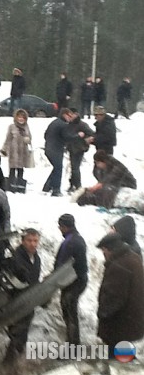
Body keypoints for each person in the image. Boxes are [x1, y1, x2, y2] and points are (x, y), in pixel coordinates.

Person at [96, 232, 144, 358]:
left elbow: (114, 297)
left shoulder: (119, 266)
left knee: (117, 359)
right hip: (130, 319)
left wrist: (102, 313)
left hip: (119, 324)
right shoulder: (134, 258)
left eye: (103, 251)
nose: (103, 254)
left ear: (108, 249)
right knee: (125, 355)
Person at [3, 228, 41, 364]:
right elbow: (15, 278)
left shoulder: (36, 258)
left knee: (22, 332)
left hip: (29, 301)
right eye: (29, 241)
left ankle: (12, 361)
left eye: (35, 241)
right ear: (23, 241)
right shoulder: (16, 257)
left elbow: (34, 279)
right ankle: (10, 364)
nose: (33, 244)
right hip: (17, 299)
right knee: (17, 332)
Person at [55, 214, 88, 345]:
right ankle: (73, 343)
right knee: (71, 314)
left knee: (69, 315)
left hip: (73, 283)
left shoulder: (69, 242)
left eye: (60, 226)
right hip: (79, 280)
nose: (59, 229)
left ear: (64, 227)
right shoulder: (78, 238)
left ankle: (73, 346)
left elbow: (61, 265)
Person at [42, 108, 83, 196]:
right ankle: (56, 190)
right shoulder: (63, 125)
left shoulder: (54, 122)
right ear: (64, 115)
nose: (71, 118)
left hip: (48, 148)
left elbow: (45, 135)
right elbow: (67, 137)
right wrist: (78, 136)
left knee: (56, 168)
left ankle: (47, 186)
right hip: (56, 149)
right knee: (58, 169)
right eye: (70, 116)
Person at [1, 109, 32, 193]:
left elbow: (30, 138)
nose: (21, 119)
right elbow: (8, 138)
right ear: (16, 117)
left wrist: (27, 139)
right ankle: (11, 185)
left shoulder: (26, 126)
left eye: (23, 117)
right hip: (13, 151)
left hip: (23, 152)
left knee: (20, 169)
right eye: (19, 117)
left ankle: (19, 185)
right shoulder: (12, 126)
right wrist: (4, 149)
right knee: (12, 169)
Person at [66, 108, 94, 192]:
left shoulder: (82, 124)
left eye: (72, 114)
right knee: (73, 167)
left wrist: (84, 139)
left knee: (75, 167)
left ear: (76, 114)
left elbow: (91, 134)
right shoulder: (69, 124)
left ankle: (78, 186)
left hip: (79, 148)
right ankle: (72, 185)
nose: (70, 116)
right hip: (71, 148)